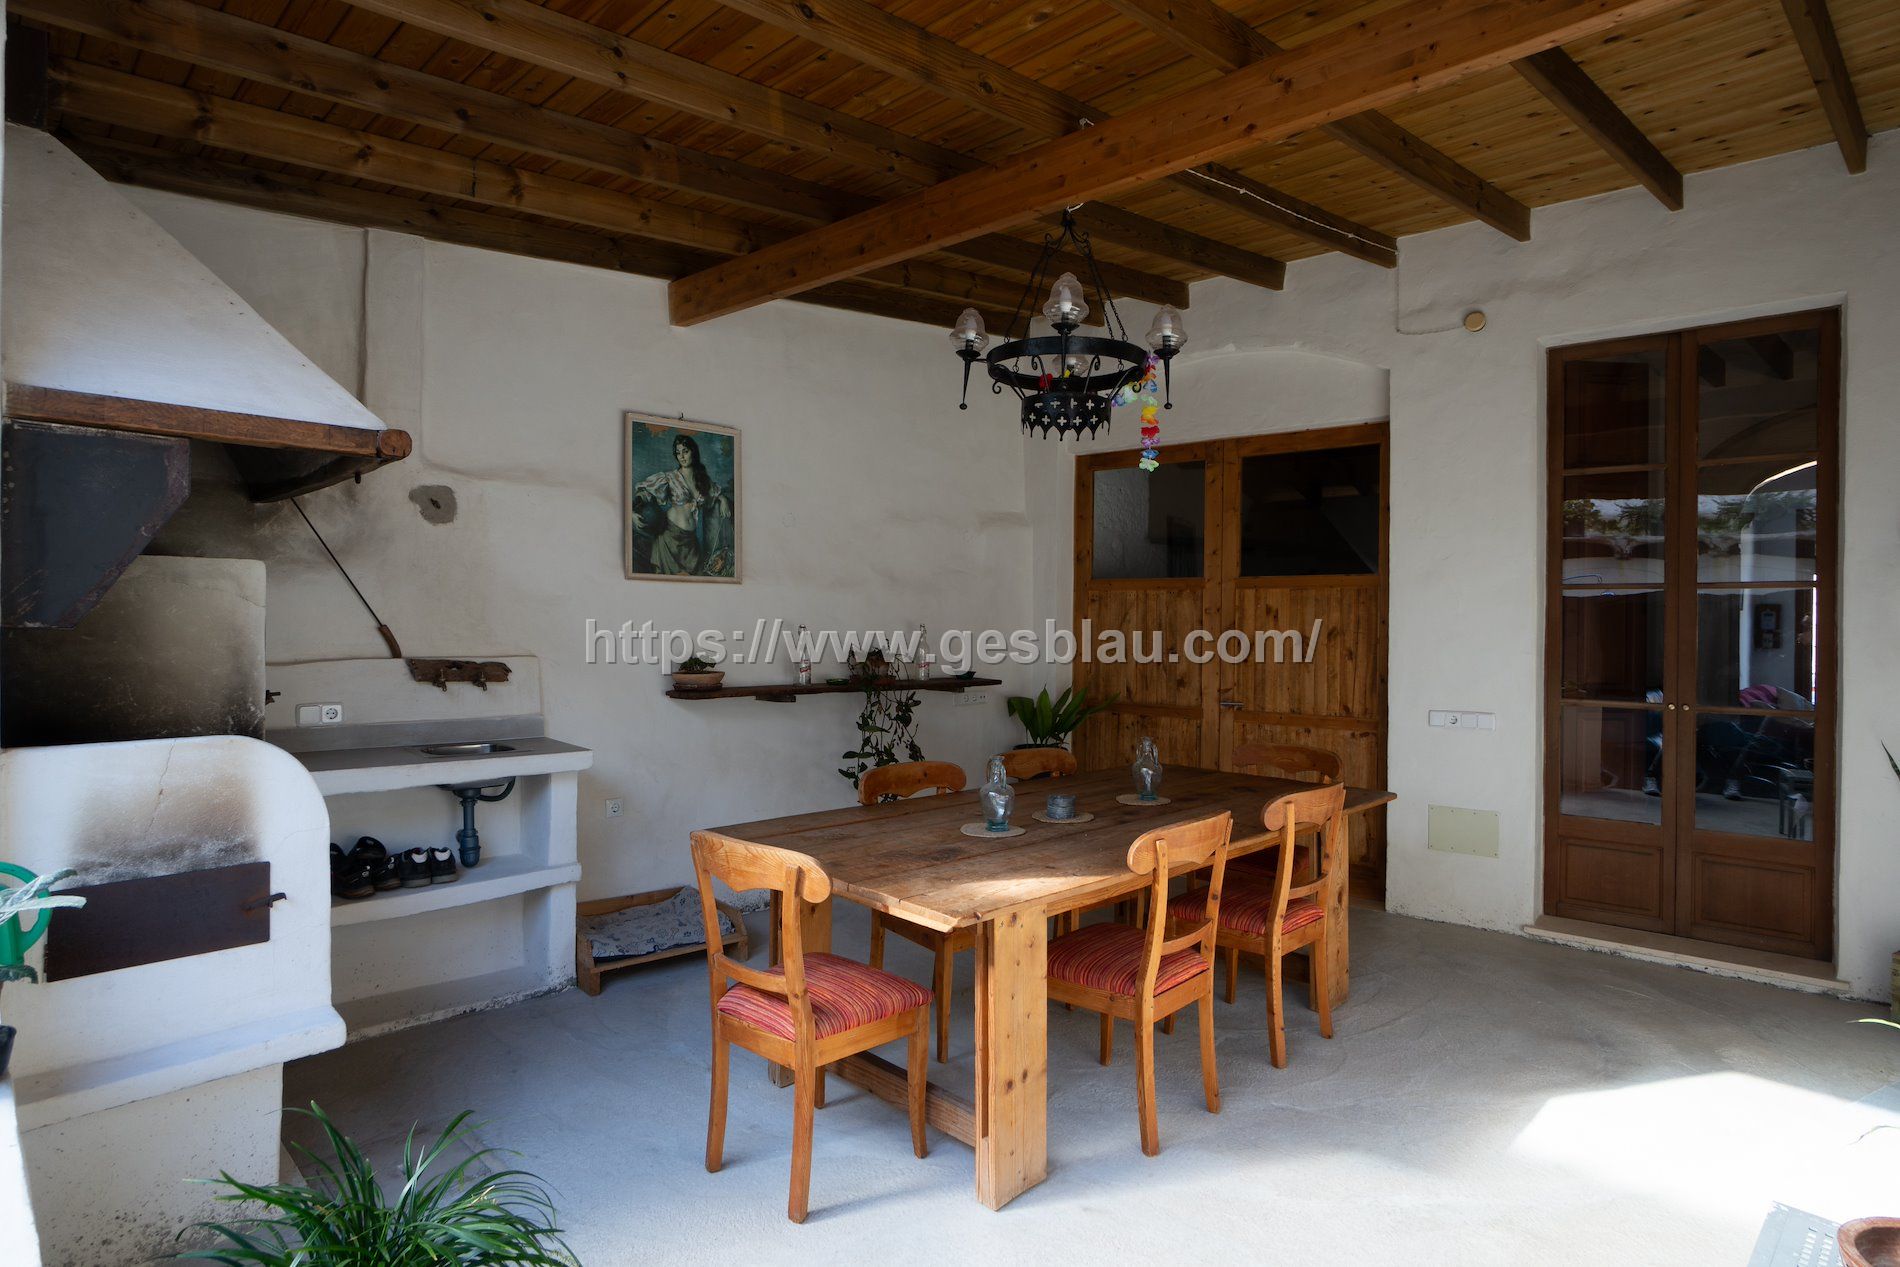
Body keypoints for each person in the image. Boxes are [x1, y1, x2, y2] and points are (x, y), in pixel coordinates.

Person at [633, 433, 733, 576]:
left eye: (685, 451)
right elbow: (644, 493)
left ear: (693, 452)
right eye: (678, 453)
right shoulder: (670, 477)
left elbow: (715, 492)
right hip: (669, 538)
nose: (681, 456)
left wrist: (723, 500)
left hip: (690, 541)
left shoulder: (702, 479)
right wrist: (632, 511)